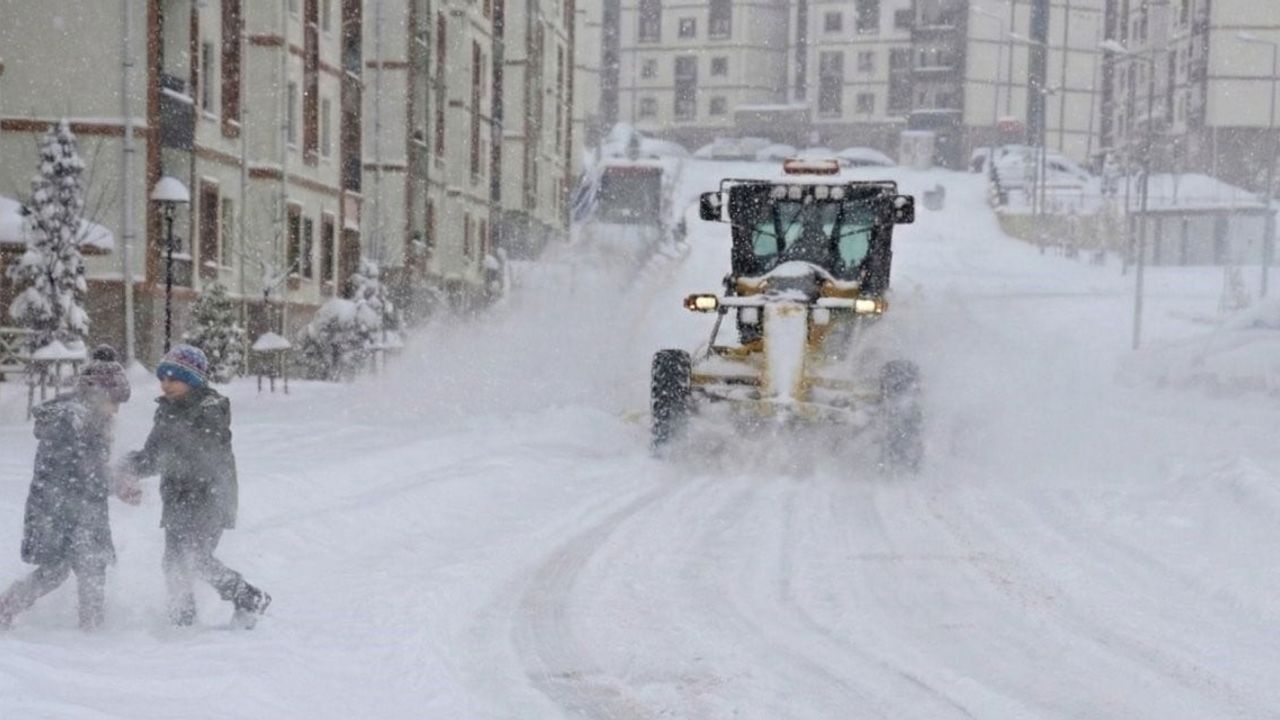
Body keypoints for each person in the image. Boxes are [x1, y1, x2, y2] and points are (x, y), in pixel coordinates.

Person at [121, 344, 270, 628]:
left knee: (195, 559)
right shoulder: (167, 411)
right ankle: (182, 618)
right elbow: (154, 455)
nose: (165, 384)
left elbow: (196, 455)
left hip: (210, 497)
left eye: (173, 378)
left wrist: (153, 464)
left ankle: (247, 596)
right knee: (174, 563)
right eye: (162, 377)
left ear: (193, 380)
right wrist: (125, 466)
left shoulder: (211, 409)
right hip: (178, 499)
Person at [0, 345, 134, 631]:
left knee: (68, 569)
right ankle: (91, 631)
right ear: (97, 394)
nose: (116, 410)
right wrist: (114, 483)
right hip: (61, 509)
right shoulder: (71, 420)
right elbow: (76, 470)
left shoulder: (88, 418)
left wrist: (114, 481)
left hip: (70, 508)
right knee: (79, 567)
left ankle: (9, 608)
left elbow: (88, 469)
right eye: (114, 401)